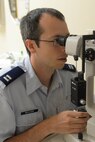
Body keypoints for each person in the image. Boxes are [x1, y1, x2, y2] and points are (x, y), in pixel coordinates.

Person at [0, 8, 89, 142]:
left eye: (67, 40)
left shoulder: (71, 76)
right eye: (56, 41)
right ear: (31, 45)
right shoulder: (6, 90)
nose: (65, 49)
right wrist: (49, 126)